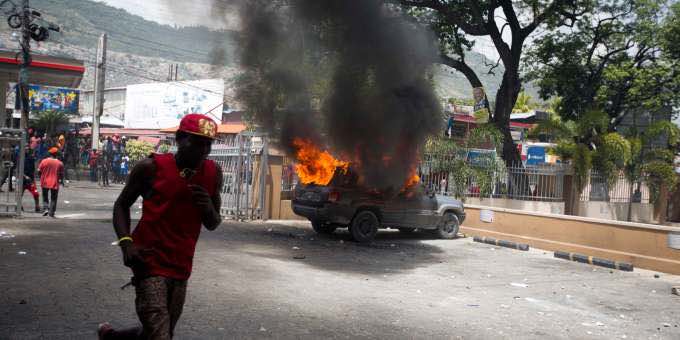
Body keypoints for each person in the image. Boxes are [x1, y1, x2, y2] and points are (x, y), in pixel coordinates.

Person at [99, 114, 222, 340]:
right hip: (149, 262)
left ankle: (112, 337)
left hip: (182, 265)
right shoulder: (151, 167)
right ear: (179, 140)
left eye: (208, 144)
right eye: (197, 142)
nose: (204, 150)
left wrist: (207, 207)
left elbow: (213, 223)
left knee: (159, 331)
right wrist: (126, 244)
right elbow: (121, 205)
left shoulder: (213, 173)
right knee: (160, 334)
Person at [38, 147, 64, 217]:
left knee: (45, 196)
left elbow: (39, 171)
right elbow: (61, 174)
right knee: (53, 198)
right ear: (56, 154)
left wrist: (41, 177)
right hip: (54, 182)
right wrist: (61, 181)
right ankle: (51, 212)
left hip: (45, 182)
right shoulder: (60, 163)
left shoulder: (44, 161)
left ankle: (46, 209)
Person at [21, 146, 40, 213]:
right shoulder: (21, 158)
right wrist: (24, 176)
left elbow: (33, 169)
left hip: (30, 180)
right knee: (20, 194)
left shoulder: (31, 158)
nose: (26, 150)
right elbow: (19, 169)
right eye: (25, 149)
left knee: (36, 194)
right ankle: (19, 207)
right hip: (22, 180)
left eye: (27, 149)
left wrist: (33, 179)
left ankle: (37, 207)